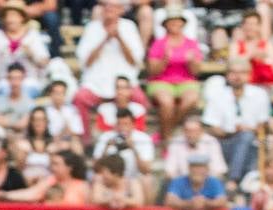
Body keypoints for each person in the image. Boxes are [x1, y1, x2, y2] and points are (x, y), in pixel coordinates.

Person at [74, 0, 144, 136]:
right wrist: (105, 39)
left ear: (121, 10)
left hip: (124, 82)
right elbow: (85, 62)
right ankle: (86, 139)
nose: (108, 9)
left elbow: (135, 60)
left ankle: (137, 137)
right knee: (80, 98)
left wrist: (119, 38)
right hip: (96, 82)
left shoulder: (129, 27)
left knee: (140, 99)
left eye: (113, 7)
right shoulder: (92, 27)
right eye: (106, 6)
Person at [202, 57, 271, 185]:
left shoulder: (260, 94)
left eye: (242, 72)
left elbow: (263, 125)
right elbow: (213, 128)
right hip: (225, 141)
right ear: (227, 76)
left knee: (249, 139)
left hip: (253, 140)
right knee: (244, 139)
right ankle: (240, 181)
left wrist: (246, 130)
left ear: (249, 75)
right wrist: (233, 132)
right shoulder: (217, 95)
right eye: (234, 72)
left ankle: (235, 180)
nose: (238, 76)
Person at [145, 6, 203, 138]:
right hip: (161, 81)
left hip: (186, 80)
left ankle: (165, 133)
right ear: (165, 25)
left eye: (177, 21)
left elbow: (196, 71)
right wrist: (164, 60)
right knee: (166, 103)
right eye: (171, 21)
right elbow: (153, 71)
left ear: (183, 23)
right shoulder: (158, 44)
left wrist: (191, 62)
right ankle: (167, 136)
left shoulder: (191, 43)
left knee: (191, 99)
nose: (175, 24)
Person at [0, 1, 49, 95]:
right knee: (4, 91)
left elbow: (44, 62)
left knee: (25, 92)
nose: (10, 20)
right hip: (4, 82)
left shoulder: (33, 35)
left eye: (14, 15)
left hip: (28, 81)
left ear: (22, 17)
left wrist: (31, 55)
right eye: (7, 16)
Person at [161, 112, 224, 181]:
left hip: (207, 183)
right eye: (188, 131)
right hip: (181, 183)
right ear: (183, 131)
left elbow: (218, 170)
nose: (191, 135)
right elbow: (169, 171)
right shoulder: (176, 142)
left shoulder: (211, 142)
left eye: (194, 131)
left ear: (201, 131)